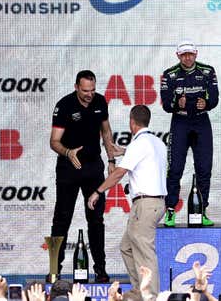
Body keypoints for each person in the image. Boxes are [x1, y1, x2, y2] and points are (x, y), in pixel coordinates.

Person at [50, 70, 123, 282]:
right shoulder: (64, 105)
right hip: (68, 167)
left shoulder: (100, 101)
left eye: (92, 90)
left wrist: (111, 160)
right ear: (76, 87)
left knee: (96, 220)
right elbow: (54, 141)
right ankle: (54, 270)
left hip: (93, 168)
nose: (90, 94)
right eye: (85, 91)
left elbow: (106, 132)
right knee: (61, 219)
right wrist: (67, 152)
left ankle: (100, 270)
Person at [87, 105, 167, 297]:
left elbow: (118, 175)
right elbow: (146, 161)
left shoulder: (138, 144)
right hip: (152, 204)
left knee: (145, 254)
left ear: (132, 122)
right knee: (127, 247)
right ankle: (140, 291)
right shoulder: (157, 143)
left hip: (145, 205)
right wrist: (125, 151)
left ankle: (150, 296)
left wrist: (98, 191)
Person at [160, 39, 219, 226]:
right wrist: (177, 103)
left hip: (201, 122)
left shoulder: (207, 71)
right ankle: (170, 210)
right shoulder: (169, 75)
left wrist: (207, 103)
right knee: (175, 168)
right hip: (180, 122)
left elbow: (215, 97)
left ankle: (202, 211)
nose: (187, 57)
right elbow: (165, 104)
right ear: (178, 55)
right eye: (183, 54)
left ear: (196, 54)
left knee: (204, 168)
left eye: (190, 54)